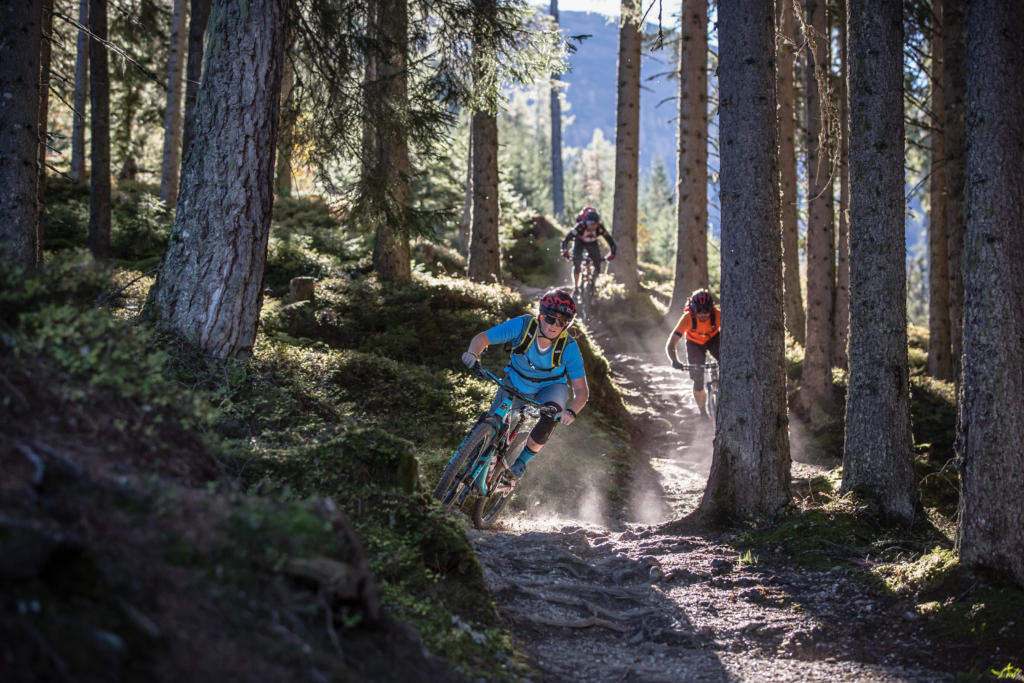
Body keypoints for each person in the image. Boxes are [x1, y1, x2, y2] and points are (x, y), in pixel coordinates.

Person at [460, 289, 589, 484]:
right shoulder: (522, 325)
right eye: (550, 319)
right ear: (541, 316)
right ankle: (473, 462)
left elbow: (581, 391)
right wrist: (472, 354)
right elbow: (482, 339)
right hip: (515, 380)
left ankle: (520, 464)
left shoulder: (569, 346)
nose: (555, 326)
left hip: (550, 388)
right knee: (494, 422)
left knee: (551, 414)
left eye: (563, 322)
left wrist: (571, 411)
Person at [665, 288, 721, 419]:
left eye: (706, 311)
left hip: (713, 339)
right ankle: (703, 412)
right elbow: (671, 344)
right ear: (693, 310)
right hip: (694, 343)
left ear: (711, 309)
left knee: (726, 361)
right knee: (698, 379)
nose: (703, 315)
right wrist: (675, 361)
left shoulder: (717, 315)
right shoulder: (687, 318)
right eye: (699, 312)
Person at [559, 206, 617, 296]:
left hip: (592, 244)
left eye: (595, 224)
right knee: (577, 262)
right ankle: (576, 287)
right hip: (579, 242)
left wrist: (612, 253)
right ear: (586, 222)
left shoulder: (600, 228)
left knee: (597, 264)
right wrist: (564, 250)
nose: (593, 227)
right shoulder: (580, 227)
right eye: (590, 224)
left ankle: (593, 284)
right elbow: (566, 240)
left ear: (598, 223)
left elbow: (611, 242)